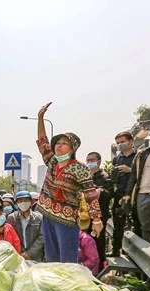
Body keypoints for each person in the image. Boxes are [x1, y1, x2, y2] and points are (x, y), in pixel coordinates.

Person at [35, 102, 103, 263]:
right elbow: (42, 140)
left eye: (64, 143)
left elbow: (91, 195)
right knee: (51, 257)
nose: (58, 145)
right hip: (47, 215)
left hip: (66, 220)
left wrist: (97, 219)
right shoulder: (52, 161)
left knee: (67, 259)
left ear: (72, 148)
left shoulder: (81, 169)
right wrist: (40, 118)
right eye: (58, 142)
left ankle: (68, 285)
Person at [111, 131, 137, 256]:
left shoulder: (139, 156)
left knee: (136, 223)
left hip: (135, 194)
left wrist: (130, 170)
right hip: (119, 192)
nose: (120, 145)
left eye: (122, 142)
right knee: (118, 224)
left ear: (130, 141)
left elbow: (143, 174)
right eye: (118, 143)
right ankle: (116, 250)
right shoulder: (117, 158)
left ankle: (134, 253)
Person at [85, 151, 113, 264]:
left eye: (92, 160)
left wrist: (99, 191)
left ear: (99, 161)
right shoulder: (86, 176)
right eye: (88, 160)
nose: (89, 162)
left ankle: (100, 264)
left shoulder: (104, 177)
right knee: (85, 240)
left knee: (98, 240)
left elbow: (110, 194)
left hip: (100, 215)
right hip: (85, 214)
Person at [7, 191, 44, 261]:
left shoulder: (39, 218)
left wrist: (30, 253)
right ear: (16, 203)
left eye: (26, 200)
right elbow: (10, 237)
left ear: (30, 201)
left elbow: (42, 237)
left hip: (36, 257)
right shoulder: (11, 218)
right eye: (20, 201)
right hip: (18, 256)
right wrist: (20, 253)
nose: (23, 203)